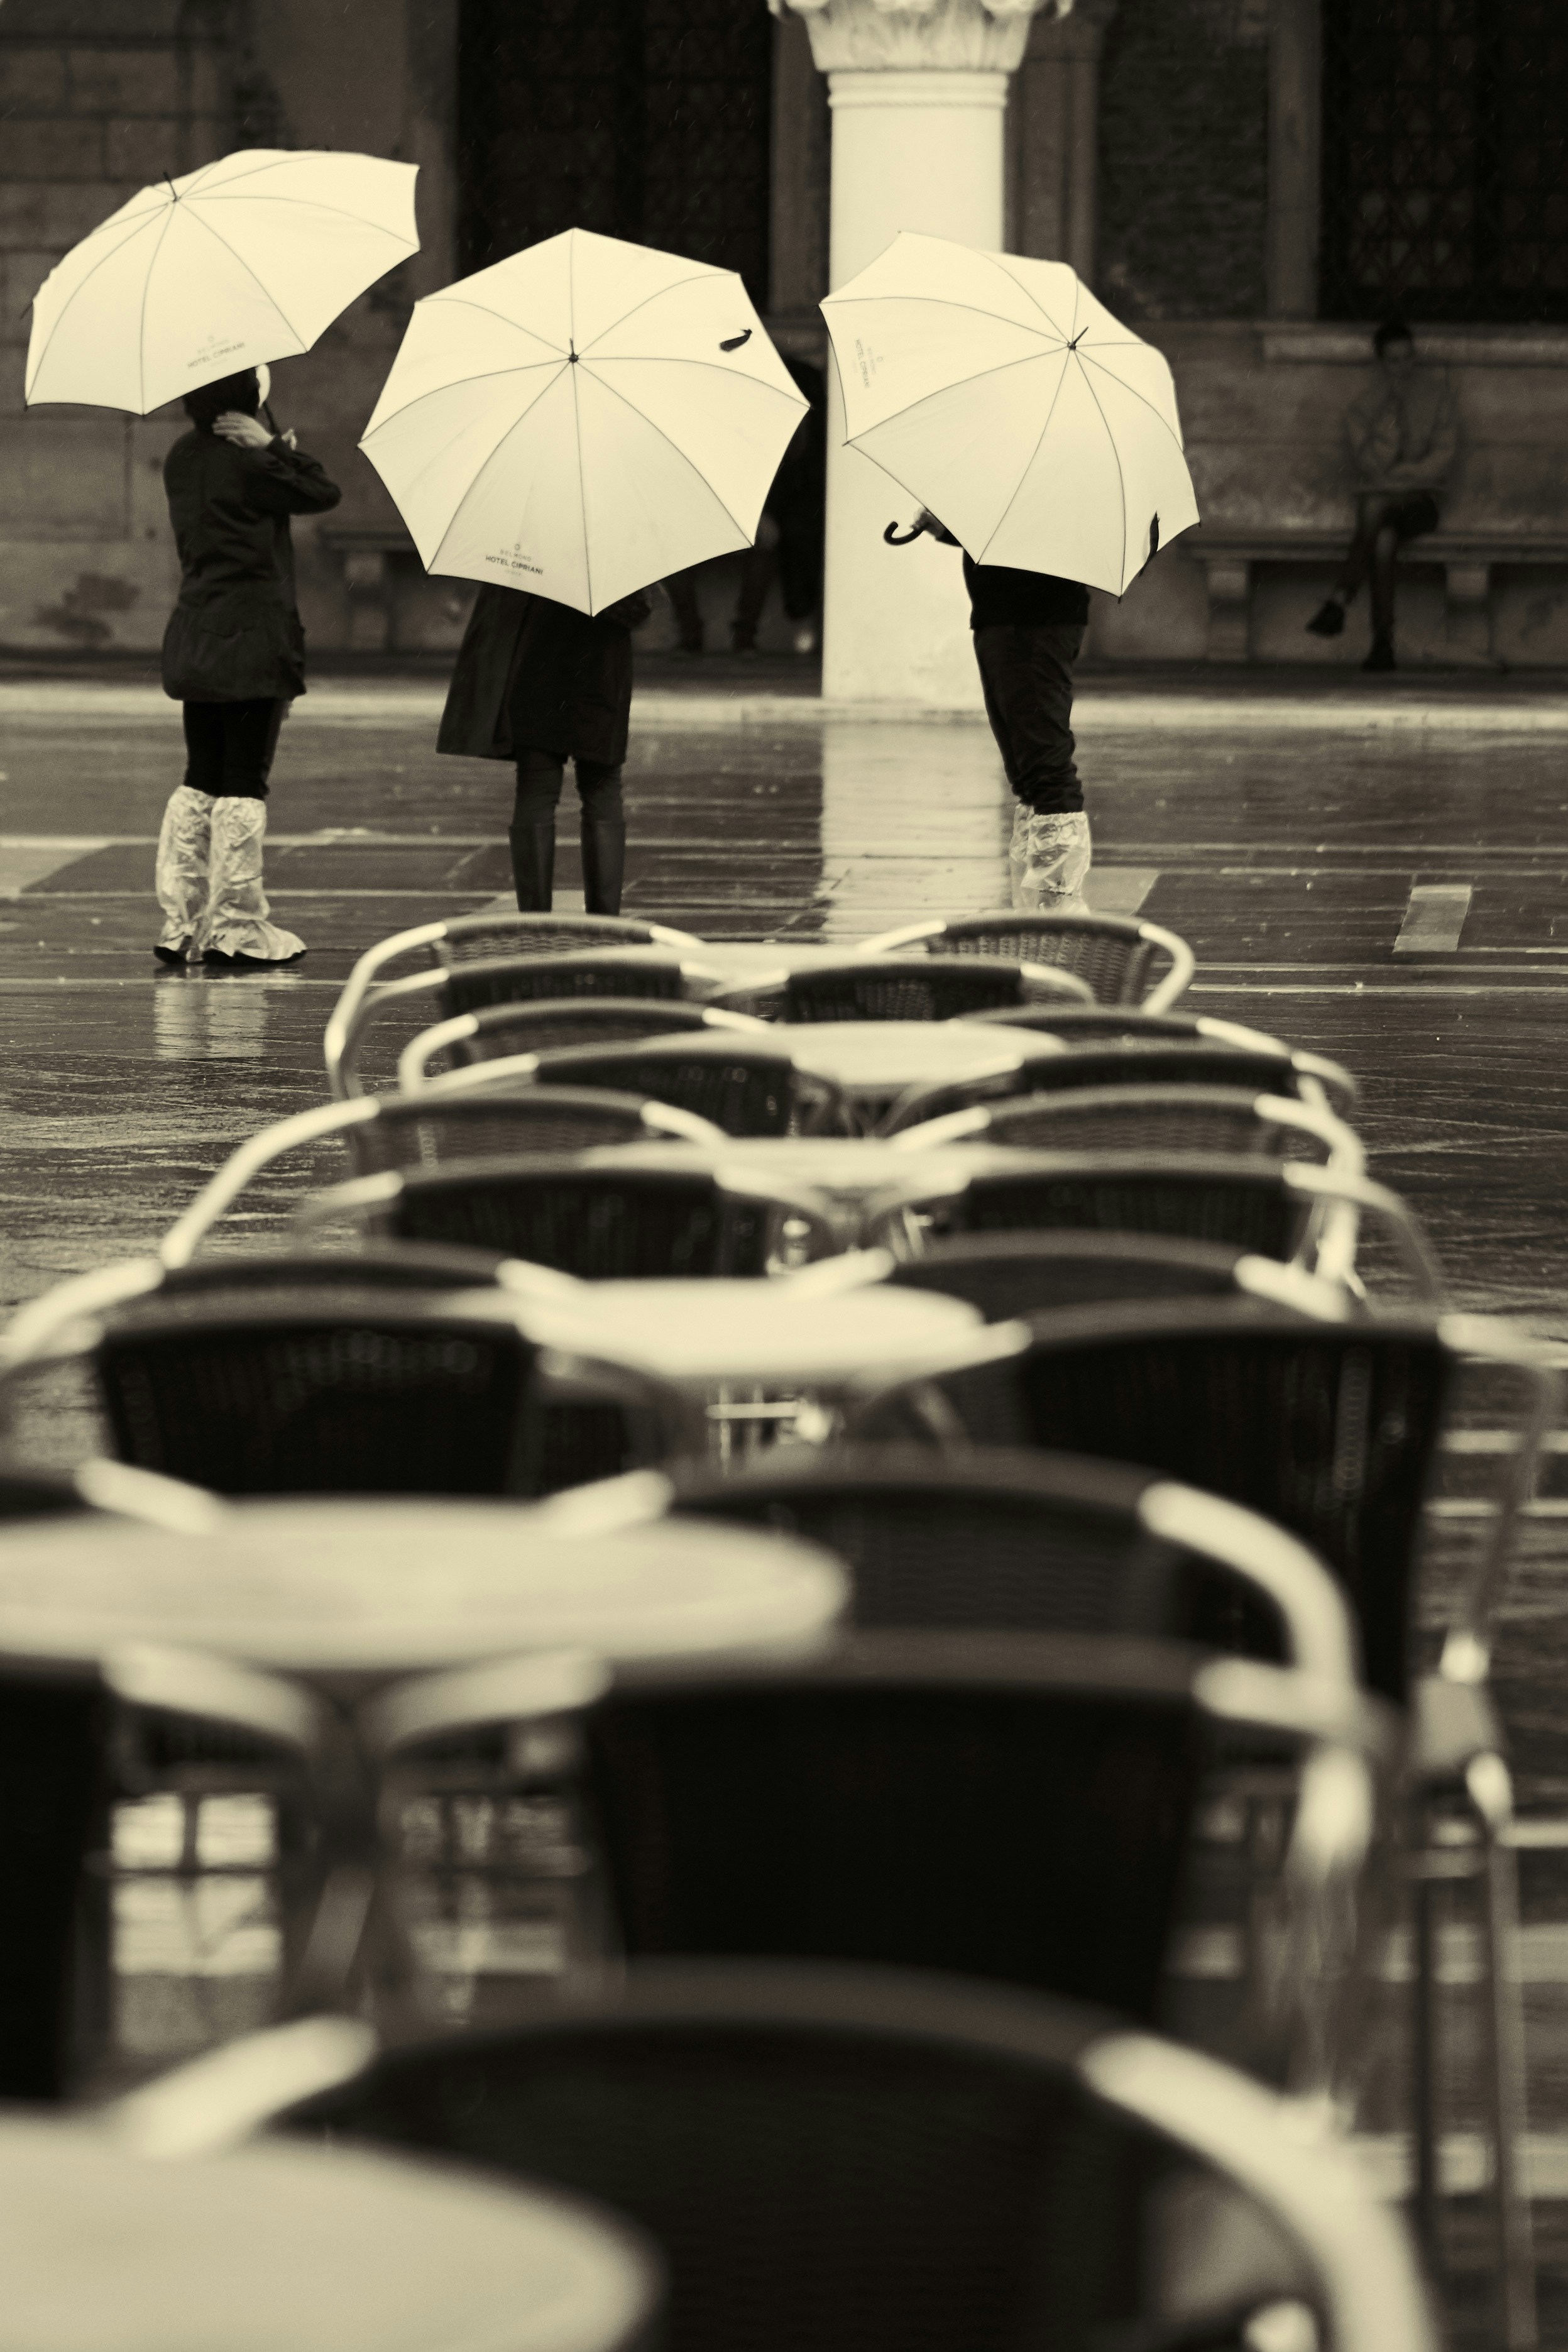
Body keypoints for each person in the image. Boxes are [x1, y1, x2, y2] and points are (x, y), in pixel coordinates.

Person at [155, 365, 341, 967]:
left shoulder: (182, 456)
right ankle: (236, 928)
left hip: (198, 631)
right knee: (244, 778)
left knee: (201, 773)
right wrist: (273, 451)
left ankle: (181, 923)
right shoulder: (253, 461)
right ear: (247, 397)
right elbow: (322, 493)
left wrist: (269, 457)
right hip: (254, 638)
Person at [902, 510, 1093, 911]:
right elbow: (1006, 520)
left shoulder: (1053, 463)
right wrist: (951, 526)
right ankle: (1038, 911)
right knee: (1028, 773)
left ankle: (1058, 917)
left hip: (1032, 617)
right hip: (1003, 614)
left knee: (1045, 770)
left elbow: (1033, 527)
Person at [437, 582, 653, 913]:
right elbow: (636, 609)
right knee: (602, 787)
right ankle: (605, 919)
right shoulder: (615, 536)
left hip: (538, 661)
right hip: (601, 669)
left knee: (537, 787)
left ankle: (534, 918)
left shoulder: (528, 535)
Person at [1306, 316, 1459, 673]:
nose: (1403, 367)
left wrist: (1405, 475)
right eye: (1394, 360)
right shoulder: (1364, 407)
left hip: (1422, 504)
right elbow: (1369, 465)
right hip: (1383, 509)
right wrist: (1388, 431)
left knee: (1374, 505)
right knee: (1383, 540)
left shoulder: (1439, 398)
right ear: (1381, 362)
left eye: (1409, 358)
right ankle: (1382, 644)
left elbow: (1443, 456)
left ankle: (1342, 598)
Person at [666, 356, 826, 658]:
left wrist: (758, 512)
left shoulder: (770, 416)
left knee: (767, 537)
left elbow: (784, 474)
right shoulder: (696, 414)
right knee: (667, 538)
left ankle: (744, 636)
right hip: (705, 506)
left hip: (752, 508)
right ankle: (690, 633)